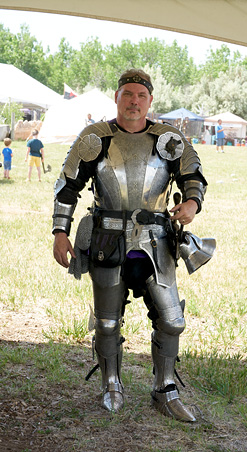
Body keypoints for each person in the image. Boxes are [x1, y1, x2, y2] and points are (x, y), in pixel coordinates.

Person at [52, 68, 208, 423]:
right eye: (128, 95)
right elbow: (68, 187)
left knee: (172, 320)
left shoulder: (169, 138)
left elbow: (192, 176)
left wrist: (192, 204)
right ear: (117, 98)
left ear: (150, 100)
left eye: (141, 95)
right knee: (107, 324)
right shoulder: (94, 137)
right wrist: (60, 231)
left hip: (157, 241)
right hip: (107, 238)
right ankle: (111, 384)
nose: (134, 101)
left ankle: (165, 390)